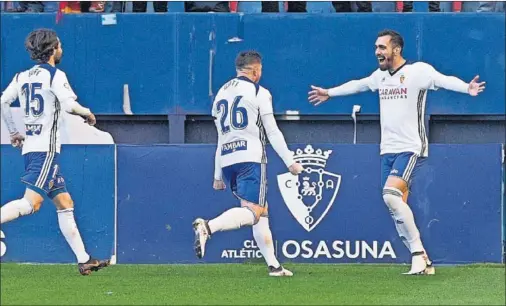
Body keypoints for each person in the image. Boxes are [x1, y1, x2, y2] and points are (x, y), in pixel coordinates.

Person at [308, 29, 485, 275]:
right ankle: (424, 259)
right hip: (387, 149)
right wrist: (329, 92)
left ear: (396, 49)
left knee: (390, 194)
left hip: (411, 147)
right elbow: (357, 85)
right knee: (393, 202)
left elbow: (443, 80)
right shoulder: (380, 77)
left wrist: (467, 88)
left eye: (382, 47)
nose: (377, 52)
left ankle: (416, 255)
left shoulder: (417, 72)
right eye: (376, 48)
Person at [0, 28, 110, 276]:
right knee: (31, 204)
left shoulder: (21, 77)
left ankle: (84, 259)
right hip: (46, 151)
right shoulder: (55, 75)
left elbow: (3, 101)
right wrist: (88, 113)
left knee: (64, 202)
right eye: (59, 45)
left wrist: (13, 132)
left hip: (31, 148)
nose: (61, 49)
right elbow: (70, 105)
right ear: (52, 49)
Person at [193, 51, 304, 277]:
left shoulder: (221, 94)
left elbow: (219, 138)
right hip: (251, 157)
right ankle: (208, 227)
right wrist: (290, 161)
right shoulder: (259, 92)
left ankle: (274, 266)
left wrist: (216, 175)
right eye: (260, 70)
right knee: (253, 211)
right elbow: (272, 130)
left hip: (227, 160)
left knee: (262, 212)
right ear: (255, 70)